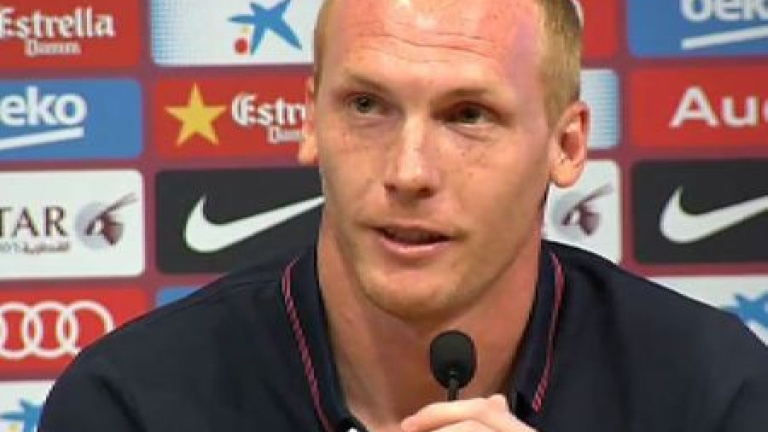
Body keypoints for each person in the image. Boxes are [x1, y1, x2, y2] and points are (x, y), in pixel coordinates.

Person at [40, 0, 768, 431]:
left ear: (567, 145)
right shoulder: (133, 403)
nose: (408, 172)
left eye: (468, 114)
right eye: (367, 105)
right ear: (310, 120)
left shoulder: (711, 392)